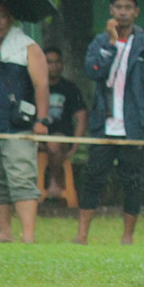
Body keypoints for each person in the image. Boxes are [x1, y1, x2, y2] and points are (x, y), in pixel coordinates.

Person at [75, 0, 144, 245]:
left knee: (133, 181)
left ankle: (127, 236)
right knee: (93, 177)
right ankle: (81, 235)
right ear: (111, 11)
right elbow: (93, 72)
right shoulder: (100, 42)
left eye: (128, 8)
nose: (123, 12)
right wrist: (112, 44)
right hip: (104, 124)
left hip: (134, 125)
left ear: (136, 12)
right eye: (118, 7)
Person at [0, 1, 50, 243]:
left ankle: (28, 234)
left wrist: (42, 119)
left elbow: (42, 85)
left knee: (22, 178)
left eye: (2, 16)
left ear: (11, 19)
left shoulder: (28, 47)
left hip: (17, 124)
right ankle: (4, 231)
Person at [42, 46, 87, 200]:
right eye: (48, 62)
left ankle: (56, 182)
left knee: (55, 143)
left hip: (61, 138)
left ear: (62, 64)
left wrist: (75, 146)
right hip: (37, 137)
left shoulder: (70, 88)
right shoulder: (33, 87)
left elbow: (81, 117)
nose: (53, 66)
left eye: (56, 62)